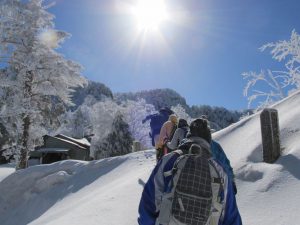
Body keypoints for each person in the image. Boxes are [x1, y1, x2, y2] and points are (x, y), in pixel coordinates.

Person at [138, 118, 242, 225]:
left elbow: (148, 204)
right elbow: (231, 218)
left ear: (188, 135)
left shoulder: (168, 160)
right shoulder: (219, 170)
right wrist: (232, 183)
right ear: (209, 140)